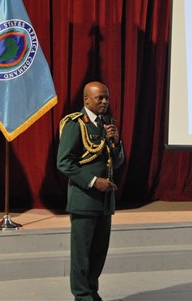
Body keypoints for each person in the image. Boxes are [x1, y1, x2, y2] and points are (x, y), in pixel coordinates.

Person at [57, 81, 125, 301]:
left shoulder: (107, 124)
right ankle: (82, 295)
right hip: (84, 199)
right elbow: (64, 162)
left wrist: (115, 142)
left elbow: (116, 162)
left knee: (98, 253)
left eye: (106, 98)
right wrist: (94, 181)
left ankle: (91, 292)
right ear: (87, 100)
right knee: (82, 255)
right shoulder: (75, 124)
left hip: (105, 202)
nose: (105, 102)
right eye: (99, 98)